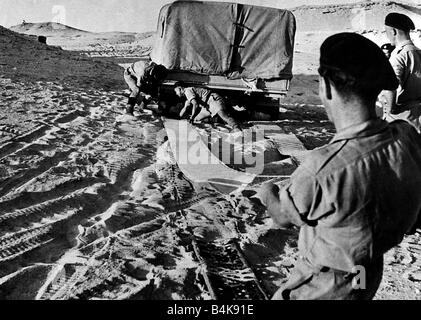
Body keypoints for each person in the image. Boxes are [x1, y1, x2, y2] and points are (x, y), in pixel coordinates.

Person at [253, 33, 421, 300]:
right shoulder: (406, 138)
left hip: (325, 285)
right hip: (366, 274)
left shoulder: (321, 169)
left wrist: (267, 192)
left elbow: (283, 217)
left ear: (327, 88)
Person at [381, 13, 421, 132]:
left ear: (393, 31)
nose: (387, 36)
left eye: (386, 31)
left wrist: (391, 108)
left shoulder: (399, 55)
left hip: (401, 118)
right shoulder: (418, 52)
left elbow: (391, 85)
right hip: (417, 116)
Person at [173, 82, 240, 131]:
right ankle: (215, 122)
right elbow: (185, 108)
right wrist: (178, 118)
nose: (176, 93)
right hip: (206, 105)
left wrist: (192, 117)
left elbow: (195, 104)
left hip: (212, 100)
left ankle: (237, 128)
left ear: (180, 88)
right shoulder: (187, 97)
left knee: (223, 115)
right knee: (197, 119)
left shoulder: (187, 91)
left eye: (176, 91)